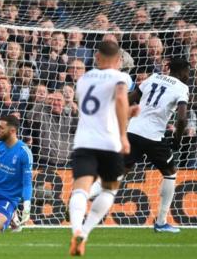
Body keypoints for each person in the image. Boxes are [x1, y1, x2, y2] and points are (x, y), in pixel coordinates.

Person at [90, 58, 190, 233]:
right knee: (170, 173)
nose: (189, 75)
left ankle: (84, 195)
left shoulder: (153, 78)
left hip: (133, 131)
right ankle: (161, 222)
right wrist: (177, 139)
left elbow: (131, 98)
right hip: (153, 137)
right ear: (182, 71)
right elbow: (182, 119)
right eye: (188, 72)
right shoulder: (182, 88)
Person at [68, 40, 131, 256]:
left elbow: (98, 111)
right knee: (108, 189)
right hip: (109, 143)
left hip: (84, 142)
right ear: (118, 59)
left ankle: (75, 229)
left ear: (97, 56)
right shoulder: (120, 77)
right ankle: (84, 233)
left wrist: (127, 113)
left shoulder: (83, 79)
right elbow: (121, 99)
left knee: (79, 191)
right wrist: (123, 135)